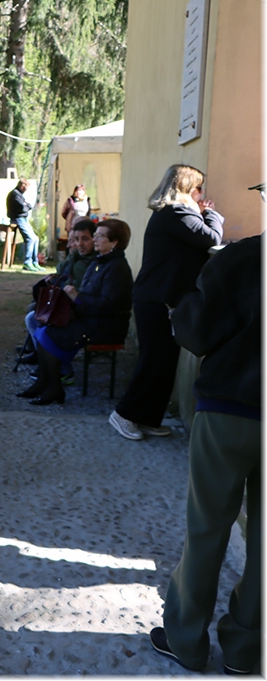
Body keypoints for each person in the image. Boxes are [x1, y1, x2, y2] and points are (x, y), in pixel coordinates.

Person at [149, 233, 260, 675]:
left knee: (207, 529)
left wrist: (181, 310)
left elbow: (198, 331)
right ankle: (247, 650)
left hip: (229, 407)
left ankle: (186, 641)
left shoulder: (244, 256)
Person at [108, 164, 224, 441]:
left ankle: (147, 418)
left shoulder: (174, 214)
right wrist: (212, 214)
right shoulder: (176, 212)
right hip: (157, 300)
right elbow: (212, 237)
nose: (201, 193)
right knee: (154, 361)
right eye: (198, 187)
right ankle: (124, 415)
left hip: (162, 298)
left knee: (165, 362)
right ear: (187, 188)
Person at [22, 219, 133, 405]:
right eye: (95, 235)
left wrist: (76, 298)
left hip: (107, 326)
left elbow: (107, 305)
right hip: (92, 318)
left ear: (114, 242)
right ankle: (44, 382)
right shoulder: (100, 261)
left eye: (100, 236)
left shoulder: (117, 267)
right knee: (43, 330)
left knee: (49, 333)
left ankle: (54, 387)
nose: (95, 240)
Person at [17, 218, 97, 368]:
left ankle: (52, 363)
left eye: (85, 239)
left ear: (95, 239)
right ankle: (40, 355)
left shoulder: (92, 264)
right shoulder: (77, 258)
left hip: (79, 311)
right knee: (36, 309)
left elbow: (81, 292)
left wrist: (61, 287)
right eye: (76, 239)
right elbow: (62, 273)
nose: (78, 244)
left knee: (35, 315)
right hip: (70, 305)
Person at [7, 178, 42, 273]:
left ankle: (35, 262)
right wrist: (26, 205)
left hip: (23, 219)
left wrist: (26, 205)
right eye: (26, 188)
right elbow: (22, 207)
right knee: (30, 239)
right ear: (22, 186)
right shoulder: (14, 195)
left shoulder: (19, 195)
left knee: (35, 239)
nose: (26, 190)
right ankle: (27, 262)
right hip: (18, 219)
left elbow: (27, 206)